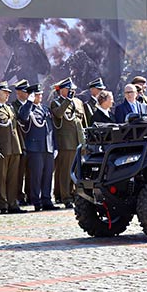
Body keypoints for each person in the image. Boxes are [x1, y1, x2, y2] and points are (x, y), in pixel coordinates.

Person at [0, 81, 25, 214]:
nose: (8, 95)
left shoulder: (10, 108)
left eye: (8, 93)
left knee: (13, 178)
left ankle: (13, 203)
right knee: (1, 179)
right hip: (2, 150)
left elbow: (16, 129)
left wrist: (21, 147)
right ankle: (3, 204)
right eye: (5, 93)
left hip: (14, 148)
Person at [18, 84, 60, 212]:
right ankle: (36, 201)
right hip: (35, 148)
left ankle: (47, 199)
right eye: (37, 95)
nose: (40, 97)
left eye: (40, 94)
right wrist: (29, 102)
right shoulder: (27, 108)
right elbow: (23, 118)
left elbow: (51, 129)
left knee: (48, 175)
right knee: (36, 176)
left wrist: (55, 146)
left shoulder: (45, 109)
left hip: (48, 147)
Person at [50, 77, 87, 209]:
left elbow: (83, 122)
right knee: (66, 171)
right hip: (66, 142)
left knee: (78, 171)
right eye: (70, 89)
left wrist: (85, 140)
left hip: (79, 141)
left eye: (73, 90)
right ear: (63, 90)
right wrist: (67, 100)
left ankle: (76, 195)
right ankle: (65, 197)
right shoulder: (56, 103)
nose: (73, 92)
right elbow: (59, 115)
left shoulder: (78, 102)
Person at [10, 79, 30, 206]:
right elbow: (23, 117)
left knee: (31, 173)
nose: (28, 94)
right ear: (18, 93)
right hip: (20, 142)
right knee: (18, 173)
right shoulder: (14, 106)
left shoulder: (32, 103)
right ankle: (18, 195)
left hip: (33, 142)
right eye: (25, 91)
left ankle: (29, 195)